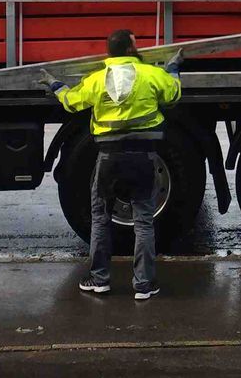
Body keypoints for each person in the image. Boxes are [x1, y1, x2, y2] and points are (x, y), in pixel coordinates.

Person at [55, 29, 181, 300]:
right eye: (136, 44)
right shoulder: (151, 75)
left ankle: (99, 279)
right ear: (129, 49)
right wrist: (172, 68)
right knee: (143, 222)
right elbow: (173, 95)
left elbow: (71, 102)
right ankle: (144, 285)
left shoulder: (97, 80)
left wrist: (55, 86)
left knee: (100, 219)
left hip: (108, 160)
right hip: (143, 158)